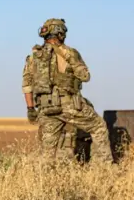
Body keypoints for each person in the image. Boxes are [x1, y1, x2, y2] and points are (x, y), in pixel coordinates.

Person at [22, 18, 112, 163]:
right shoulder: (68, 52)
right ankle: (103, 169)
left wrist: (31, 109)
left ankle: (45, 179)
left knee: (48, 150)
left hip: (45, 107)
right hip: (67, 104)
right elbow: (85, 76)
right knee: (99, 127)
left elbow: (26, 86)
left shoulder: (33, 57)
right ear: (60, 33)